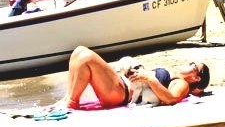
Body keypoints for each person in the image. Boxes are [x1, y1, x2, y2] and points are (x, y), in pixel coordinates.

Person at [53, 46, 209, 110]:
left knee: (86, 57)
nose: (190, 64)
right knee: (78, 52)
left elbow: (171, 98)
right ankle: (68, 98)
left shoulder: (182, 84)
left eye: (194, 66)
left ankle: (72, 103)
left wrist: (149, 79)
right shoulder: (173, 76)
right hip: (123, 84)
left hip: (123, 94)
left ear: (196, 78)